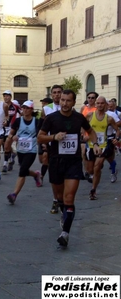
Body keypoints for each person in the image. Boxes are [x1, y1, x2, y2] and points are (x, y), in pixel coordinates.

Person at [37, 89, 100, 248]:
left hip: (73, 161)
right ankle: (63, 212)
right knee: (60, 197)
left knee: (69, 197)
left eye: (68, 101)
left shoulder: (79, 118)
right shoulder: (51, 118)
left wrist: (96, 144)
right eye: (63, 100)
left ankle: (65, 233)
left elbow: (90, 131)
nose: (64, 103)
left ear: (73, 102)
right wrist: (54, 137)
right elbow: (39, 137)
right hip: (56, 161)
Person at [5, 100, 42, 204]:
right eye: (23, 108)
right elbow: (10, 134)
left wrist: (42, 143)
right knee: (24, 169)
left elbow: (41, 134)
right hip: (21, 150)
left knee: (22, 171)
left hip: (32, 150)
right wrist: (12, 138)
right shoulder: (18, 121)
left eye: (27, 108)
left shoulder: (36, 121)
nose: (25, 110)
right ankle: (35, 175)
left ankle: (14, 194)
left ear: (31, 110)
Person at [84, 96, 120, 200]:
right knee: (90, 169)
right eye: (98, 103)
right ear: (96, 104)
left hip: (102, 146)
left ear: (105, 105)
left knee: (97, 167)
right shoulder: (90, 115)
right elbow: (83, 126)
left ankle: (93, 190)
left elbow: (117, 130)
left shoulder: (109, 118)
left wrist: (116, 138)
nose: (100, 105)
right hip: (90, 145)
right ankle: (95, 175)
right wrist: (84, 134)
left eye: (102, 103)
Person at [38, 84, 63, 214]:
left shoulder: (69, 108)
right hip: (51, 143)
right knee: (54, 174)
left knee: (64, 175)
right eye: (54, 92)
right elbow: (42, 127)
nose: (57, 95)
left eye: (59, 92)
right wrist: (44, 143)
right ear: (51, 95)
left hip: (65, 145)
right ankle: (55, 199)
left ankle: (63, 199)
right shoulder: (46, 109)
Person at [1, 90, 21, 173]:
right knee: (5, 145)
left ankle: (5, 164)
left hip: (12, 129)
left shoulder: (15, 106)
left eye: (8, 96)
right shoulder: (1, 106)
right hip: (2, 129)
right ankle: (11, 157)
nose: (6, 97)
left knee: (6, 145)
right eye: (5, 96)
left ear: (10, 97)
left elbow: (22, 114)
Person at [37, 97, 53, 182]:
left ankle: (41, 176)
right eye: (42, 103)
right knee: (41, 159)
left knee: (45, 158)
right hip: (42, 137)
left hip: (49, 139)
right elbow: (39, 127)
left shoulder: (52, 113)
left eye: (44, 103)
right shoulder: (42, 114)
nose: (43, 105)